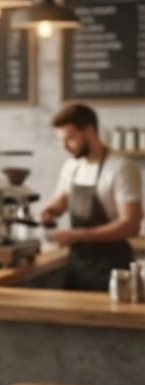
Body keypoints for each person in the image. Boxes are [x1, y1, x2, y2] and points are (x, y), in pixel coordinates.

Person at [39, 103, 142, 291]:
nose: (65, 147)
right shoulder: (72, 166)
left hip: (112, 269)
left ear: (89, 131)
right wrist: (50, 211)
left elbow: (131, 225)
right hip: (78, 266)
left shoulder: (121, 168)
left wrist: (77, 235)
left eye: (70, 139)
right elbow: (61, 201)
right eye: (61, 140)